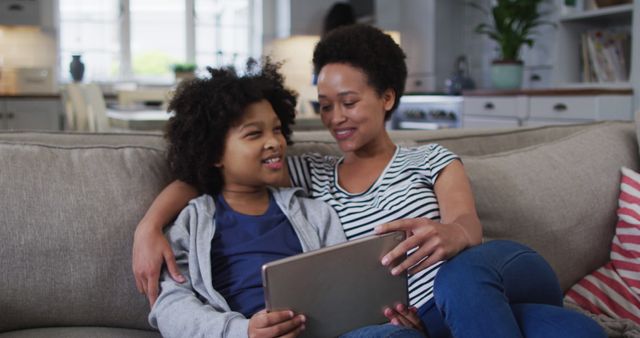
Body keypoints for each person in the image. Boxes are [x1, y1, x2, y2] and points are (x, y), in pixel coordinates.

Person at [134, 25, 606, 338]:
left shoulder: (431, 158)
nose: (335, 117)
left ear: (386, 97)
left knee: (464, 275)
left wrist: (453, 234)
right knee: (572, 331)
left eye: (349, 101)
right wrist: (149, 225)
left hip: (496, 272)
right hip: (431, 322)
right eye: (324, 104)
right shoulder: (306, 175)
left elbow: (468, 225)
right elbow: (215, 176)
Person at [148, 60, 424, 338]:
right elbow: (170, 305)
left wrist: (387, 317)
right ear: (214, 154)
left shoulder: (315, 214)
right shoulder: (193, 222)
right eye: (255, 134)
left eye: (277, 130)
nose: (274, 142)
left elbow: (349, 289)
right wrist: (243, 331)